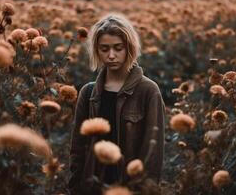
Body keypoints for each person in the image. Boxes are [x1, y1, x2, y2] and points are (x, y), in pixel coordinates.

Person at [69, 13, 166, 195]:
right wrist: (76, 188)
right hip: (93, 188)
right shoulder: (88, 93)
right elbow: (77, 150)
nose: (111, 55)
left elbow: (153, 155)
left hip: (129, 188)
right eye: (104, 49)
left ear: (129, 48)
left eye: (118, 48)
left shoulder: (148, 91)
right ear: (96, 50)